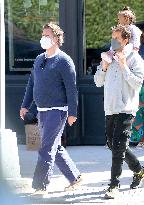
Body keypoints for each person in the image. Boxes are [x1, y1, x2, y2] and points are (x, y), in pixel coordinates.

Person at [20, 22, 82, 195]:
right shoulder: (40, 59)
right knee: (54, 146)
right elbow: (32, 83)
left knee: (45, 148)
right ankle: (75, 177)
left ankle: (40, 186)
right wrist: (25, 105)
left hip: (58, 111)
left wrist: (72, 113)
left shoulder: (64, 61)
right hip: (42, 111)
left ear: (56, 38)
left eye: (47, 35)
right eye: (43, 34)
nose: (43, 38)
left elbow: (71, 88)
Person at [94, 25, 144, 199]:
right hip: (110, 108)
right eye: (112, 37)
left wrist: (124, 66)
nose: (113, 41)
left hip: (126, 109)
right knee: (113, 144)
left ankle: (113, 185)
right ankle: (139, 169)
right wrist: (104, 66)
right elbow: (97, 82)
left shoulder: (135, 59)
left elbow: (137, 83)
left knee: (118, 148)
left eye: (117, 38)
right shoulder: (108, 57)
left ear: (126, 40)